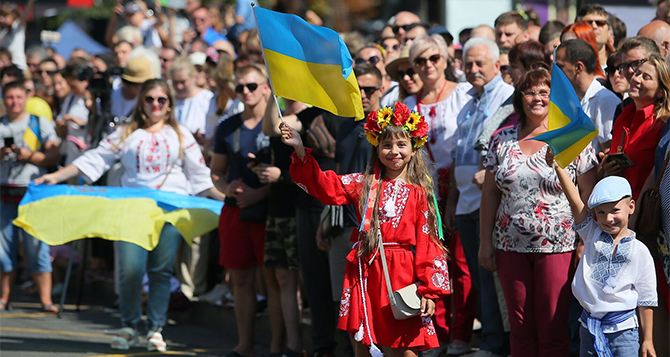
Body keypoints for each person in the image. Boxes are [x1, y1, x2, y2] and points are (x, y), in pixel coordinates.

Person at [35, 78, 218, 352]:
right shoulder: (127, 132)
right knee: (130, 270)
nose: (155, 105)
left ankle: (155, 328)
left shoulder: (180, 135)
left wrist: (224, 198)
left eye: (162, 100)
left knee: (161, 270)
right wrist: (56, 177)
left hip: (170, 209)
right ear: (141, 103)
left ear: (169, 105)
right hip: (132, 209)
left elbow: (200, 175)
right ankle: (129, 324)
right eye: (150, 99)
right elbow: (95, 158)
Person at [280, 101, 450, 356]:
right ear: (376, 147)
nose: (394, 151)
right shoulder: (363, 183)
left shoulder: (420, 193)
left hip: (403, 273)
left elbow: (429, 243)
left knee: (405, 348)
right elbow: (325, 186)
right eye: (387, 145)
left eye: (401, 144)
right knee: (364, 344)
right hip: (367, 270)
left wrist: (429, 289)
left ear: (414, 148)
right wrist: (300, 150)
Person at [479, 68, 597, 357]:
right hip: (509, 246)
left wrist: (586, 241)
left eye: (544, 92)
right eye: (530, 92)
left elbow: (589, 193)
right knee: (519, 327)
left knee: (553, 325)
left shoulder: (572, 138)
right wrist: (484, 243)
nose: (537, 98)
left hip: (559, 245)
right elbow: (490, 194)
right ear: (520, 98)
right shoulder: (502, 139)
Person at [402, 34, 474, 355]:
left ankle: (460, 334)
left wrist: (453, 195)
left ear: (445, 60)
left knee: (460, 263)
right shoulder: (406, 106)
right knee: (430, 264)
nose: (428, 65)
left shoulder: (463, 95)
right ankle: (436, 333)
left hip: (458, 186)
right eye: (420, 60)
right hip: (423, 190)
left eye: (433, 58)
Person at [553, 171, 657, 357]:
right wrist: (559, 168)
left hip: (623, 332)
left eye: (615, 210)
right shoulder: (592, 234)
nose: (608, 218)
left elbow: (646, 299)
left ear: (631, 206)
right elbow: (575, 200)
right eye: (601, 212)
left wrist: (648, 339)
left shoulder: (640, 251)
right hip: (589, 328)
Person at [210, 64, 272, 357]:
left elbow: (287, 172)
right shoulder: (227, 126)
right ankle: (244, 344)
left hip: (270, 210)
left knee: (273, 279)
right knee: (241, 280)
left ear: (265, 88)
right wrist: (228, 188)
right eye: (240, 87)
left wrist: (260, 193)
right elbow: (216, 173)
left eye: (251, 86)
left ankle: (278, 345)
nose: (245, 92)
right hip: (235, 212)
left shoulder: (277, 124)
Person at [0, 81, 60, 313]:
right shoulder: (2, 125)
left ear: (26, 98)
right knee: (4, 248)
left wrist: (31, 156)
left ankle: (46, 300)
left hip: (32, 191)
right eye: (9, 98)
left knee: (36, 246)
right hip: (5, 190)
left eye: (18, 97)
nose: (14, 102)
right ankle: (4, 297)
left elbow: (53, 154)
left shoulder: (39, 123)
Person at [604, 54, 670, 200]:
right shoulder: (623, 116)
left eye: (646, 77)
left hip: (644, 209)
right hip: (615, 205)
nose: (636, 79)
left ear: (660, 90)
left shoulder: (662, 124)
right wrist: (605, 169)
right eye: (637, 73)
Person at [554, 39, 620, 154]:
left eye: (560, 67)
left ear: (578, 67)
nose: (555, 72)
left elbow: (609, 150)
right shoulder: (571, 100)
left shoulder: (605, 100)